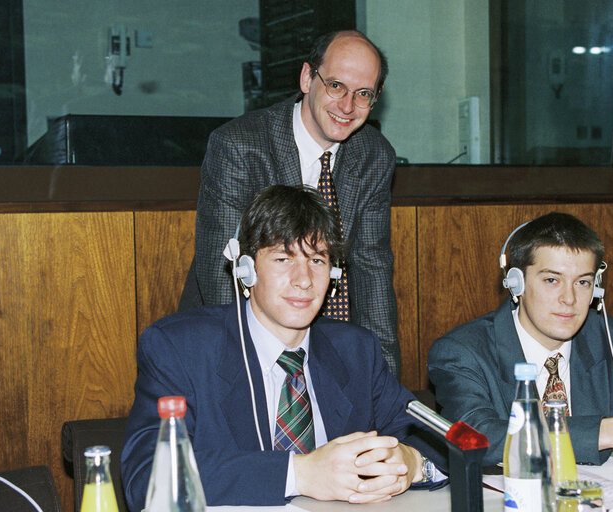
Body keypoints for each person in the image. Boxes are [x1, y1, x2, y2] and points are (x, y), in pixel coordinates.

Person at [122, 185, 446, 508]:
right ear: (246, 270)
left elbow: (439, 439)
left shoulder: (356, 350)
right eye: (282, 258)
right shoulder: (180, 349)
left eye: (317, 261)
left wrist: (413, 461)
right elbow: (148, 476)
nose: (303, 279)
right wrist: (300, 473)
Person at [178, 30, 402, 379]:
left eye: (363, 94)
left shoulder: (374, 154)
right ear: (307, 78)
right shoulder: (239, 145)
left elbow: (372, 269)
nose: (347, 106)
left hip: (328, 341)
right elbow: (222, 273)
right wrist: (247, 375)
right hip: (236, 338)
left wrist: (384, 380)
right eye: (336, 86)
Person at [428, 212, 613, 466]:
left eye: (583, 282)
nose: (569, 299)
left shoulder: (610, 337)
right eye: (552, 280)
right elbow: (475, 439)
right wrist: (608, 432)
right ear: (516, 283)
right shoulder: (461, 351)